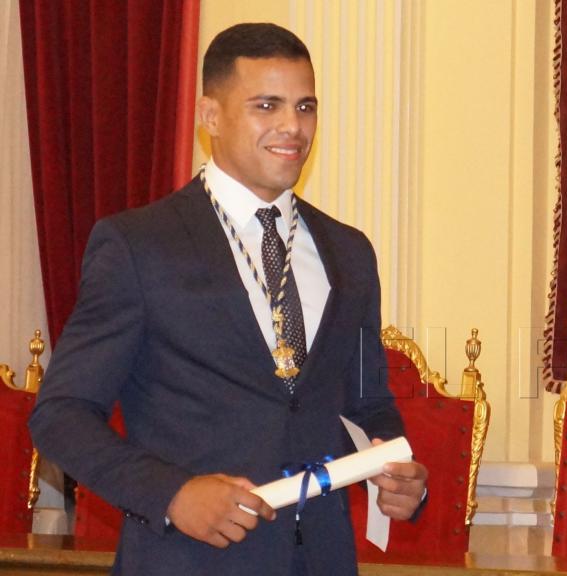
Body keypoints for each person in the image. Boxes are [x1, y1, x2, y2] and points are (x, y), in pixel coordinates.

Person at [29, 23, 427, 576]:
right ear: (210, 116)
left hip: (322, 560)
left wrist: (396, 465)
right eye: (267, 105)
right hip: (185, 559)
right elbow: (60, 415)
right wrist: (172, 494)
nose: (293, 126)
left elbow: (367, 401)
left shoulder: (350, 252)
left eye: (305, 106)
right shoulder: (139, 245)